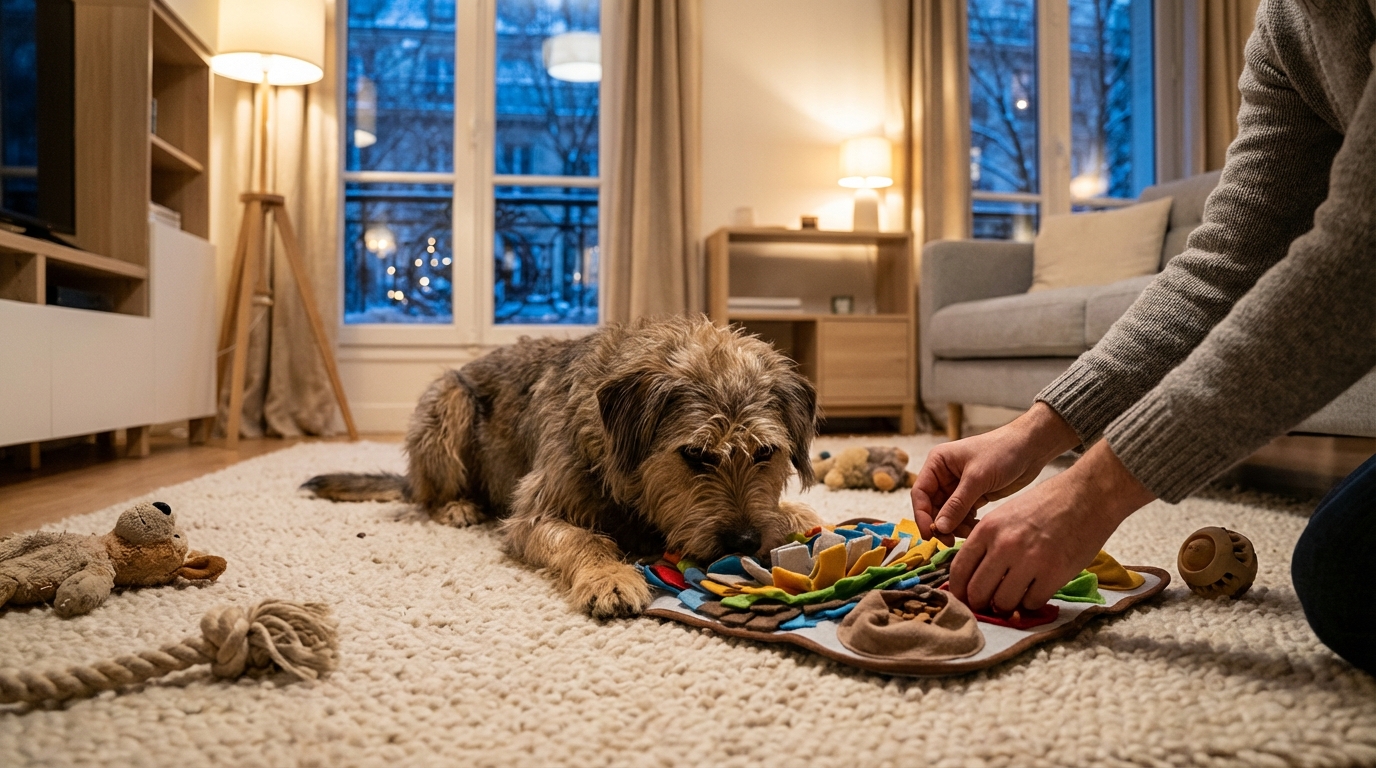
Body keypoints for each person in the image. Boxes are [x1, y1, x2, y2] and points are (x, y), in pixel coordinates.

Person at [910, 0, 1376, 676]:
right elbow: (1224, 266)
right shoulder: (1285, 27)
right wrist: (1035, 432)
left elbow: (1357, 262)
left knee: (1346, 580)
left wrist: (1087, 496)